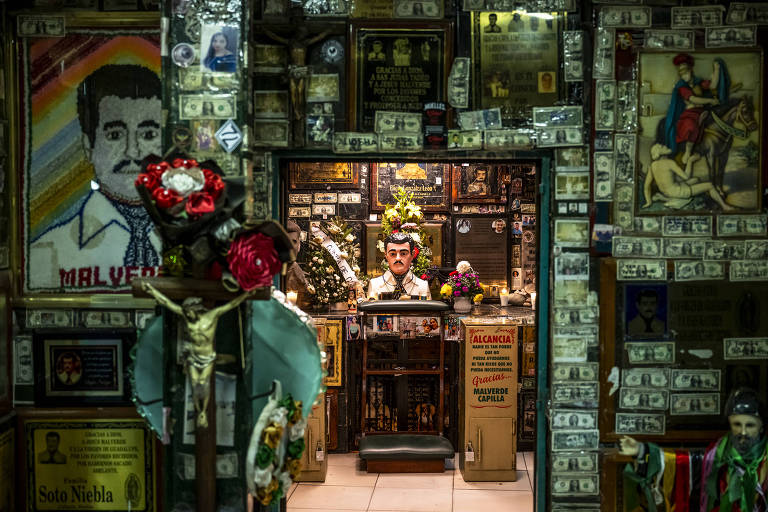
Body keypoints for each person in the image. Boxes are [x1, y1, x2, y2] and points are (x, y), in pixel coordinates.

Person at [28, 65, 162, 290]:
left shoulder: (191, 246)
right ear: (89, 146)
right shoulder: (49, 251)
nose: (132, 152)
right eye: (115, 135)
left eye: (148, 135)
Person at [620, 387, 768, 511]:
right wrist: (641, 450)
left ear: (761, 427)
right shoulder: (714, 456)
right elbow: (680, 462)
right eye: (737, 424)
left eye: (750, 425)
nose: (743, 432)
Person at [142, 282, 254, 427]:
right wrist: (151, 291)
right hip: (193, 357)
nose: (187, 314)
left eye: (189, 311)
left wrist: (247, 294)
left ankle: (203, 411)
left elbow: (231, 305)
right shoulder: (186, 317)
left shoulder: (211, 316)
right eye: (185, 312)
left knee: (203, 383)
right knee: (195, 384)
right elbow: (166, 302)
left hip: (207, 357)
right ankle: (200, 411)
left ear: (195, 308)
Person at [662, 53, 729, 164]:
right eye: (681, 73)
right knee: (691, 125)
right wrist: (711, 101)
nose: (684, 75)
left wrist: (716, 69)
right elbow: (693, 99)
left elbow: (712, 86)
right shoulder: (681, 87)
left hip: (702, 111)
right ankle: (688, 151)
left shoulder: (698, 82)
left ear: (690, 70)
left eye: (685, 72)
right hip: (690, 113)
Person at [643, 143, 734, 211]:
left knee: (696, 179)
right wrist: (690, 161)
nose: (665, 146)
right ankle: (724, 206)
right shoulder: (669, 163)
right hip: (679, 192)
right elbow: (686, 177)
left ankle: (664, 197)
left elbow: (646, 187)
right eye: (662, 147)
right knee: (709, 185)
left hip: (668, 192)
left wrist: (648, 202)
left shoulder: (652, 166)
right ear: (659, 152)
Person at [367, 232, 431, 299]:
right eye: (392, 254)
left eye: (403, 253)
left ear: (412, 255)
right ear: (386, 255)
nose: (398, 258)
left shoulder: (422, 286)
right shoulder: (375, 284)